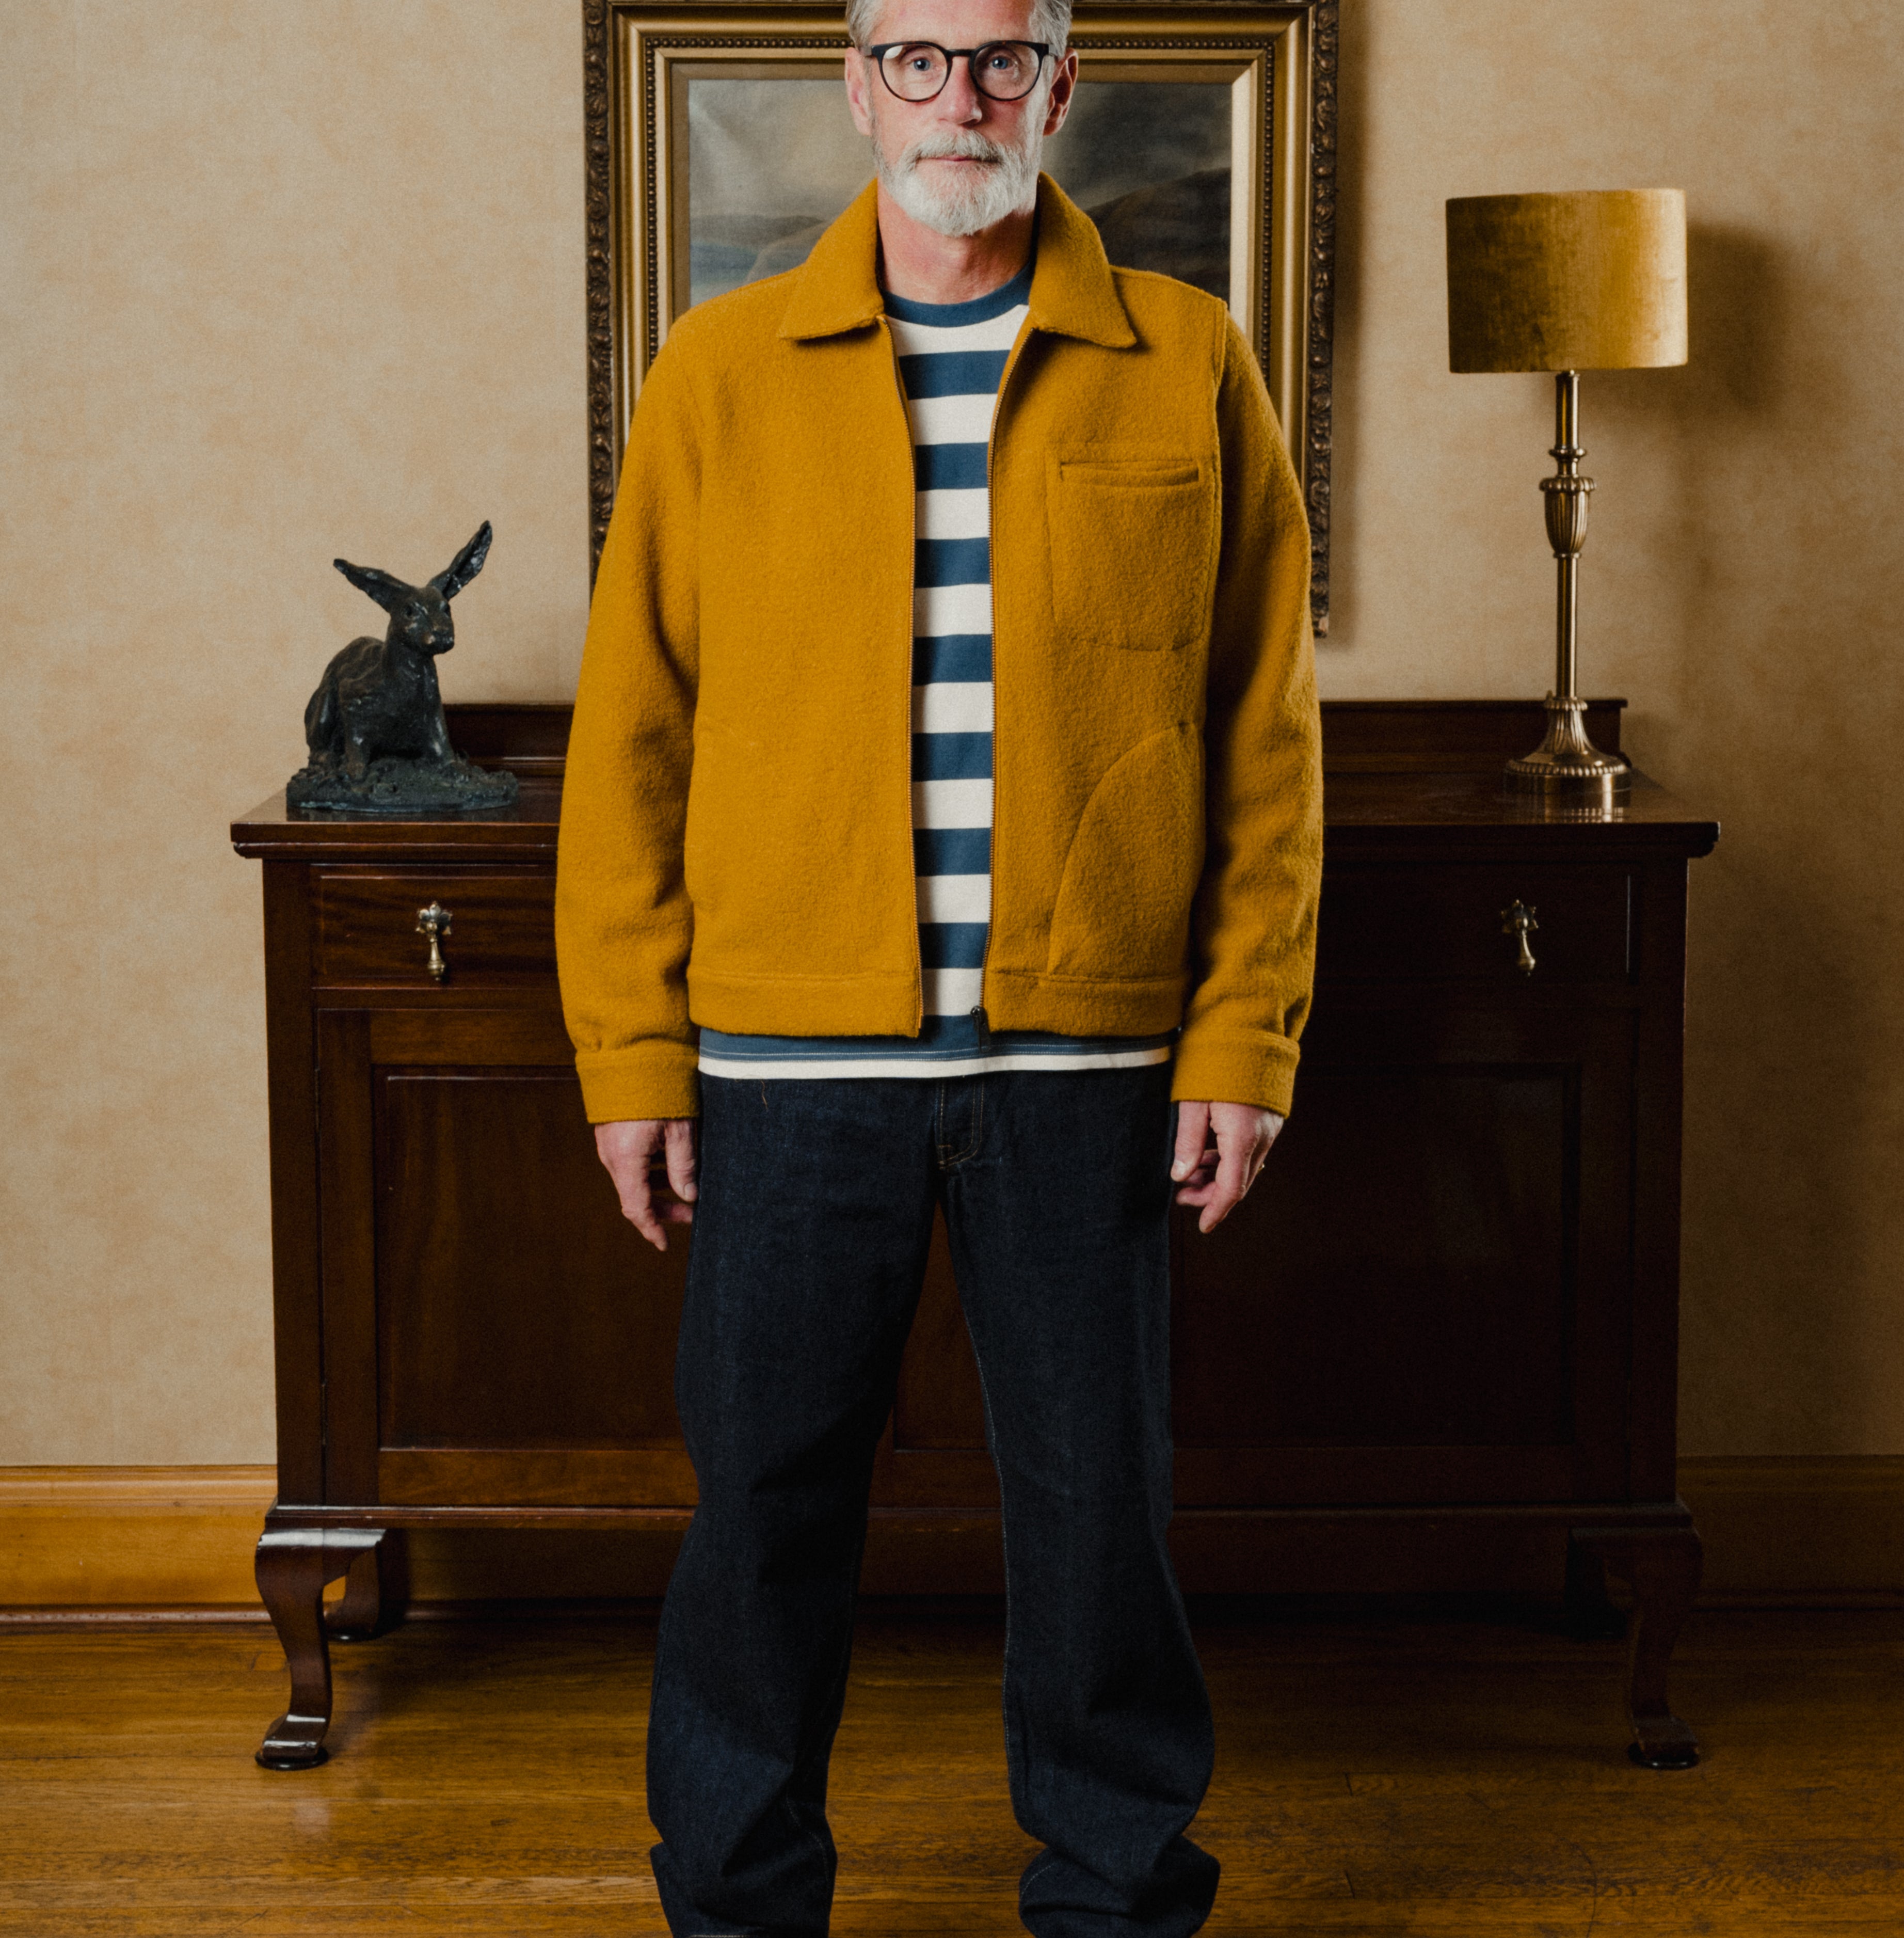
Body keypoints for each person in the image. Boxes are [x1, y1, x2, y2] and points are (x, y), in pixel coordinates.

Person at [555, 0, 1321, 1928]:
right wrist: (636, 1060)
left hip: (1086, 1068)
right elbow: (631, 734)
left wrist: (1245, 1032)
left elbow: (1261, 738)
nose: (959, 98)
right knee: (763, 1513)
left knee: (1097, 1517)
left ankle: (1117, 1888)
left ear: (1060, 86)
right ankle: (736, 1896)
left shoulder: (1186, 362)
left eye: (1002, 61)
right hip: (787, 1067)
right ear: (858, 85)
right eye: (919, 56)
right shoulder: (719, 375)